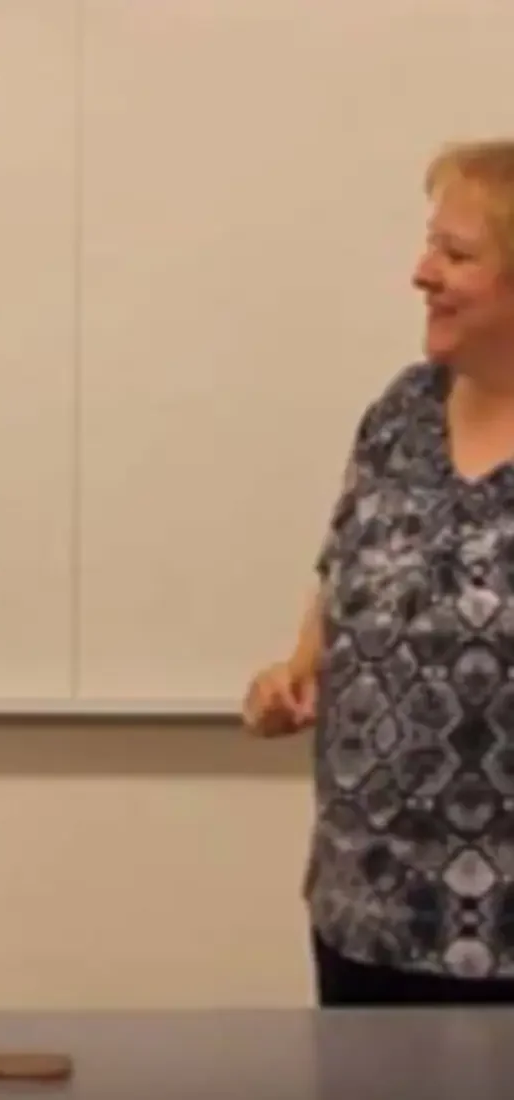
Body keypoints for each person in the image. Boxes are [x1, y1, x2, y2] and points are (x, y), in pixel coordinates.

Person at [243, 139, 514, 1007]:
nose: (421, 272)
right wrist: (294, 672)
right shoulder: (402, 410)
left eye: (457, 253)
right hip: (368, 911)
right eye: (430, 243)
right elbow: (343, 579)